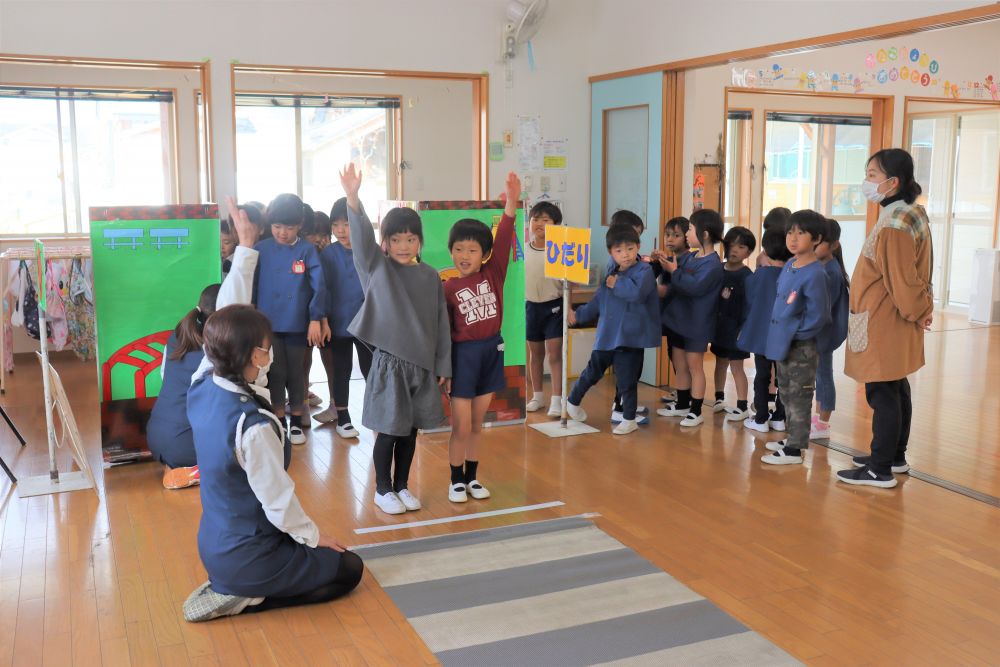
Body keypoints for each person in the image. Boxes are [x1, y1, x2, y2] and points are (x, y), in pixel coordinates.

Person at [181, 304, 362, 622]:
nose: (271, 353)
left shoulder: (202, 385)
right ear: (254, 356)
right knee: (349, 568)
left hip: (215, 544)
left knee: (318, 557)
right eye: (268, 348)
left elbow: (227, 314)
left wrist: (245, 258)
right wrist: (314, 536)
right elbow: (277, 501)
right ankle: (251, 597)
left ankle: (245, 584)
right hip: (248, 556)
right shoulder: (253, 426)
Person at [341, 164, 451, 515]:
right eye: (396, 239)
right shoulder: (376, 267)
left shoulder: (430, 276)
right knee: (389, 430)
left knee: (411, 431)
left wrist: (442, 365)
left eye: (411, 239)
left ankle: (402, 485)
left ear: (419, 240)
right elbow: (361, 242)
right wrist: (353, 199)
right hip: (389, 365)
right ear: (385, 242)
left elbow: (441, 322)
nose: (404, 246)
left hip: (421, 366)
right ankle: (382, 488)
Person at [146, 198, 260, 489]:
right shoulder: (217, 350)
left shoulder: (179, 333)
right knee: (251, 444)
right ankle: (194, 468)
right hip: (183, 443)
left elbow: (164, 377)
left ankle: (176, 465)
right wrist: (246, 247)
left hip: (155, 438)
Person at [839, 148, 932, 488]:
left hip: (884, 319)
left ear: (893, 182)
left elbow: (901, 280)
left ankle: (880, 468)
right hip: (890, 318)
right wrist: (921, 308)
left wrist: (919, 310)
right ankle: (893, 455)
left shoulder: (894, 224)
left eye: (873, 175)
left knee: (882, 392)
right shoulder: (908, 213)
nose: (867, 182)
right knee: (895, 385)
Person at [443, 172, 520, 502]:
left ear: (484, 254)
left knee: (477, 424)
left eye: (472, 250)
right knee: (459, 426)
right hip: (462, 357)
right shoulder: (446, 288)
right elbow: (442, 333)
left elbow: (503, 238)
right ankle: (455, 480)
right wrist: (444, 371)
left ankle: (472, 478)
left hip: (491, 351)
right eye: (458, 249)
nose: (464, 255)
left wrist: (512, 203)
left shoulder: (494, 272)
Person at [565, 224, 660, 435]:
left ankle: (628, 418)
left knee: (627, 380)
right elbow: (598, 301)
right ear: (611, 253)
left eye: (629, 248)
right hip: (607, 335)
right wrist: (577, 315)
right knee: (592, 371)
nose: (625, 255)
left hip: (630, 338)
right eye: (618, 250)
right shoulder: (611, 273)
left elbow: (637, 294)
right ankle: (572, 401)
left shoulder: (645, 270)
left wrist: (616, 284)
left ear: (638, 247)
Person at [253, 194, 327, 446]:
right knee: (275, 371)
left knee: (296, 372)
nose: (282, 233)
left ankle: (296, 420)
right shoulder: (260, 249)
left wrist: (316, 318)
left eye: (289, 227)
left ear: (299, 225)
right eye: (277, 227)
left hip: (298, 322)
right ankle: (279, 419)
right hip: (266, 323)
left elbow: (319, 287)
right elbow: (250, 286)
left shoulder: (306, 251)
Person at [760, 210, 830, 465]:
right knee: (786, 392)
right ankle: (792, 438)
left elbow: (818, 315)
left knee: (799, 394)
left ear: (816, 238)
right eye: (791, 232)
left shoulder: (815, 273)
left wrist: (797, 333)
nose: (793, 238)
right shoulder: (790, 265)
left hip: (801, 345)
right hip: (782, 342)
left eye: (801, 233)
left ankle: (795, 450)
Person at [656, 209, 724, 427]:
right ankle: (682, 403)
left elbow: (693, 287)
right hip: (679, 320)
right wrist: (665, 263)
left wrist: (675, 271)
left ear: (704, 234)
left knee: (695, 366)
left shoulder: (713, 264)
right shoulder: (693, 256)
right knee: (680, 363)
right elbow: (678, 275)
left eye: (691, 229)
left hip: (697, 323)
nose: (687, 234)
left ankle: (696, 410)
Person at [315, 197, 373, 438]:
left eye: (347, 224)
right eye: (336, 224)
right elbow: (323, 288)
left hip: (367, 323)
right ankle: (343, 417)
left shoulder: (370, 251)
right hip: (338, 323)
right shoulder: (328, 254)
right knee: (341, 370)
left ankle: (376, 413)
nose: (341, 230)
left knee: (372, 370)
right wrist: (324, 320)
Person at [738, 229, 791, 434]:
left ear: (765, 251)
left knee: (762, 376)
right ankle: (779, 417)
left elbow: (749, 299)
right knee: (783, 377)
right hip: (783, 335)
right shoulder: (791, 273)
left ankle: (760, 418)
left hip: (761, 334)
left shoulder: (759, 275)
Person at [607, 209, 652, 425]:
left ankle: (627, 402)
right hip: (623, 325)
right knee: (626, 368)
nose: (630, 248)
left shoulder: (632, 264)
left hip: (633, 324)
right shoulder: (616, 266)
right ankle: (620, 406)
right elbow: (631, 290)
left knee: (634, 367)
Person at [524, 201, 565, 417]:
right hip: (531, 307)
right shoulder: (524, 250)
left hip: (554, 308)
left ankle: (557, 399)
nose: (539, 223)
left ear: (556, 225)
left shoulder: (560, 251)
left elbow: (570, 282)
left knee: (555, 354)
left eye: (546, 220)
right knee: (535, 354)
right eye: (535, 219)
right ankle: (537, 396)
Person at [710, 226, 755, 422]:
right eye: (731, 245)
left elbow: (750, 305)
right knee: (720, 363)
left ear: (749, 252)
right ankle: (719, 398)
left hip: (737, 329)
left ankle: (742, 405)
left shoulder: (747, 275)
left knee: (737, 367)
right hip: (719, 327)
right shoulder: (718, 269)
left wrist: (744, 329)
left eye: (741, 246)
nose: (734, 250)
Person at [810, 218, 849, 440]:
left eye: (820, 243)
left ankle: (823, 423)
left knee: (824, 375)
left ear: (833, 245)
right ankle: (818, 420)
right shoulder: (824, 267)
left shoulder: (830, 271)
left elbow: (823, 307)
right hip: (819, 333)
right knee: (820, 375)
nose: (815, 248)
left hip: (823, 334)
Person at [650, 216, 690, 407]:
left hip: (681, 315)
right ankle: (682, 390)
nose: (670, 239)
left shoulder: (688, 260)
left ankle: (686, 394)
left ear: (687, 237)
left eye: (676, 235)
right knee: (672, 353)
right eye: (667, 235)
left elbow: (673, 287)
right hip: (667, 314)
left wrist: (652, 290)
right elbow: (655, 276)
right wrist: (654, 261)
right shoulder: (668, 258)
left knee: (681, 356)